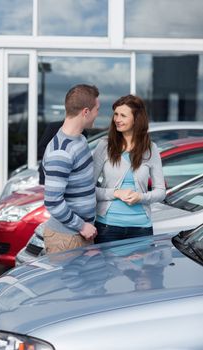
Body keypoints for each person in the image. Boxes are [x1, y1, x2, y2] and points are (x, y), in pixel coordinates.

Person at [93, 94, 166, 244]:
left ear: (136, 119)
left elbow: (161, 192)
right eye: (116, 114)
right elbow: (88, 189)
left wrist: (141, 197)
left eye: (123, 115)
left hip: (141, 228)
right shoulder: (104, 146)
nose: (117, 119)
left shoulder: (151, 149)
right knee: (106, 268)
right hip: (108, 227)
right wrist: (116, 193)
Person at [42, 84, 100, 254]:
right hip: (66, 237)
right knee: (68, 283)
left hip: (82, 233)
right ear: (86, 112)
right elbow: (52, 201)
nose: (98, 114)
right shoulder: (61, 151)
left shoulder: (80, 140)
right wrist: (82, 226)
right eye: (97, 109)